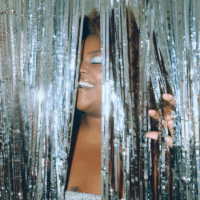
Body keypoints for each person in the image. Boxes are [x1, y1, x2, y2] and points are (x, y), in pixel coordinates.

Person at [65, 9, 175, 199]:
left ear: (130, 71)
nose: (80, 69)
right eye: (76, 61)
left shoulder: (152, 150)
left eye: (97, 60)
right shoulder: (49, 141)